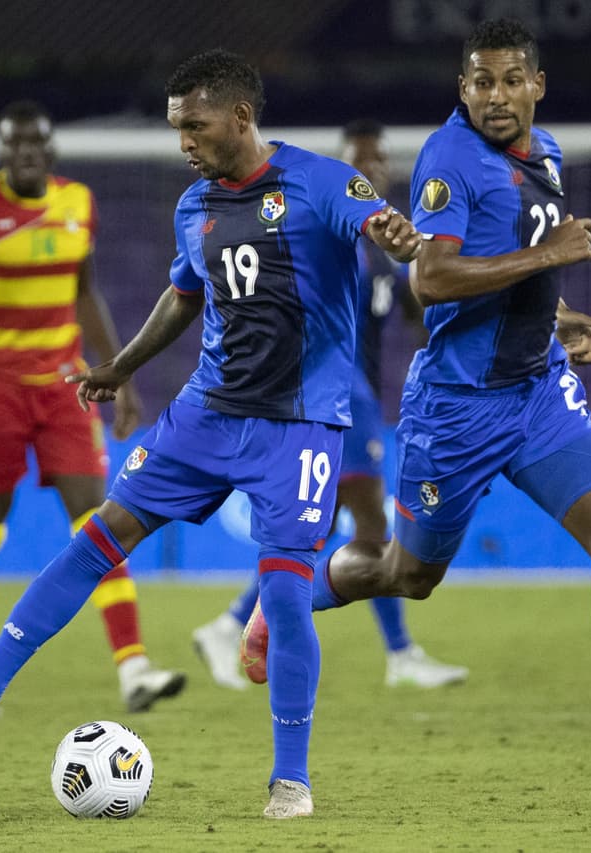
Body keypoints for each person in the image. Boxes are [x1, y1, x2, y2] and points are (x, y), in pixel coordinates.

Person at [0, 49, 423, 820]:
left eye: (195, 127)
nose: (184, 142)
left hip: (299, 423)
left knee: (283, 593)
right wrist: (121, 365)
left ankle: (291, 780)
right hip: (205, 413)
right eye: (178, 128)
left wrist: (394, 232)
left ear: (240, 116)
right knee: (98, 536)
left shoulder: (319, 180)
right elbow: (183, 296)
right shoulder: (195, 205)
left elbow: (376, 222)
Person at [241, 18, 591, 787]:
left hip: (536, 393)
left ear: (537, 86)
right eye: (481, 81)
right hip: (457, 409)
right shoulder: (450, 158)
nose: (496, 96)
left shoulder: (546, 152)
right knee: (408, 573)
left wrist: (558, 320)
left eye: (511, 80)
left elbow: (519, 271)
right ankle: (285, 593)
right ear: (462, 89)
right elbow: (431, 279)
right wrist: (550, 255)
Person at [0, 100, 185, 713]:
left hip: (66, 386)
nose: (27, 153)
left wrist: (122, 374)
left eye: (35, 143)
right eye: (15, 144)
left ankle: (134, 668)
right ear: (2, 151)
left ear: (51, 149)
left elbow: (86, 293)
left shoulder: (77, 204)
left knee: (99, 522)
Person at [191, 119, 469, 691]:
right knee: (367, 523)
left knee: (318, 528)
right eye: (359, 161)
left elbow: (418, 316)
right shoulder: (326, 226)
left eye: (379, 160)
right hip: (332, 392)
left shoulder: (384, 247)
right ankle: (397, 653)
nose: (372, 169)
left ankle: (233, 624)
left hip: (353, 397)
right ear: (341, 168)